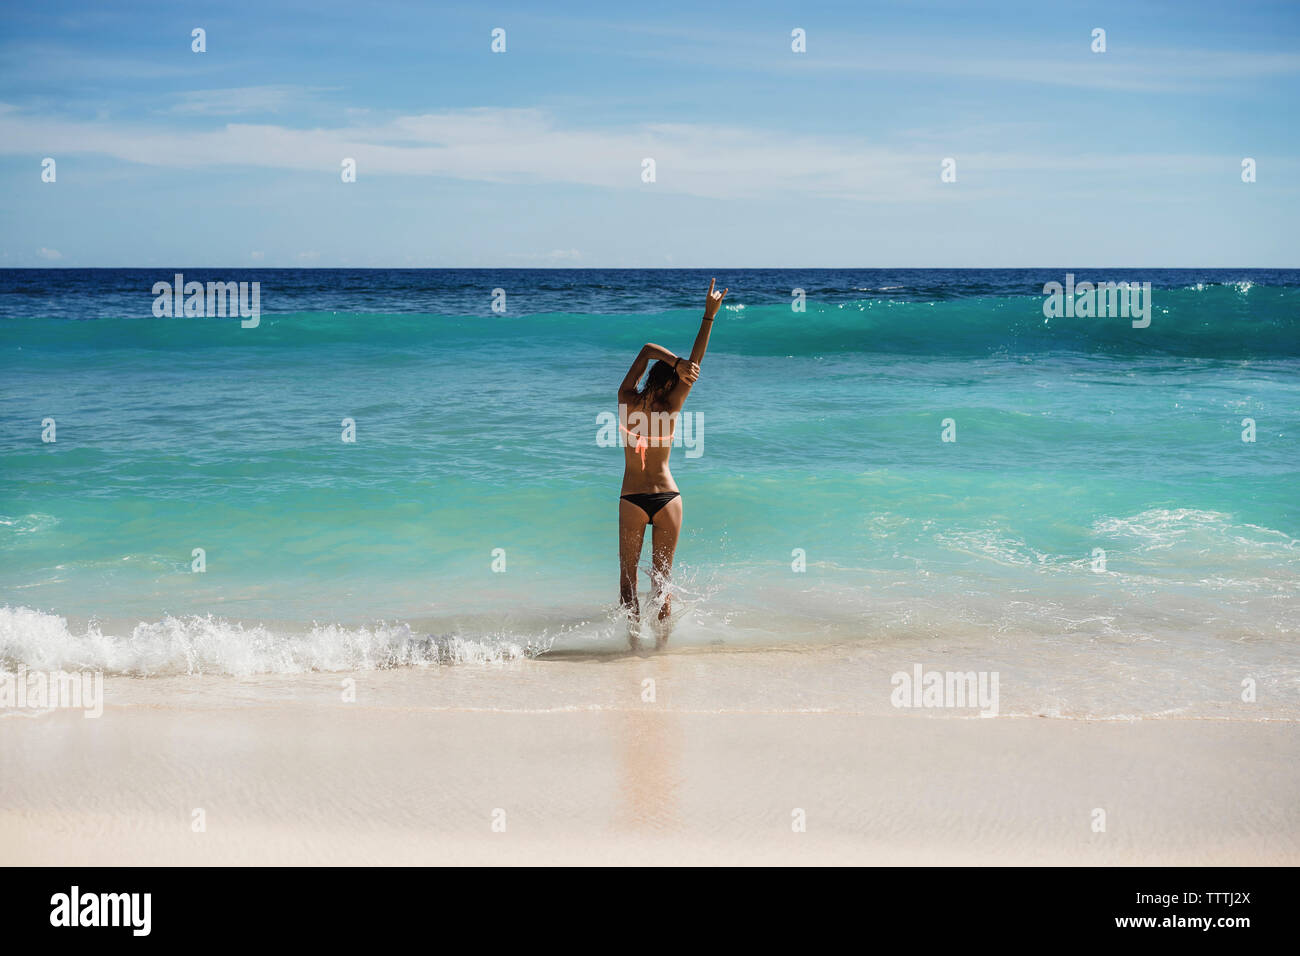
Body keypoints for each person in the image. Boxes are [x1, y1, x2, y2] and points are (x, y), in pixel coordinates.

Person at [616, 278, 728, 649]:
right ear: (672, 383)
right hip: (668, 497)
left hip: (633, 498)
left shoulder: (626, 399)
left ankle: (633, 650)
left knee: (628, 581)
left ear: (651, 379)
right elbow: (695, 364)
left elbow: (647, 349)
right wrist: (708, 318)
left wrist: (673, 361)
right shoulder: (672, 405)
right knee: (661, 584)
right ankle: (661, 653)